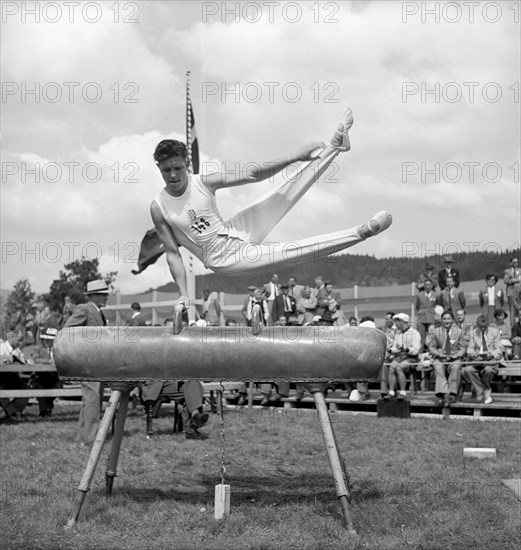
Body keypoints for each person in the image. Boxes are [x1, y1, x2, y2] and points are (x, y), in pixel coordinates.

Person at [150, 108, 392, 307]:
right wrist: (183, 294)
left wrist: (294, 157)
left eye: (177, 168)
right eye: (166, 170)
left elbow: (253, 174)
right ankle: (360, 233)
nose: (173, 175)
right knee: (292, 250)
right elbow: (173, 253)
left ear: (187, 166)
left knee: (279, 196)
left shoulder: (203, 182)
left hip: (235, 230)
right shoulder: (160, 207)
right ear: (159, 167)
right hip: (226, 258)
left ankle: (335, 146)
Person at [64, 280, 110, 446]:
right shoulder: (85, 309)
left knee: (91, 399)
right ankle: (90, 439)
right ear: (94, 296)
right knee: (92, 399)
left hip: (96, 364)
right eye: (103, 294)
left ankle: (83, 437)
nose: (106, 297)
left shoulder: (99, 312)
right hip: (87, 363)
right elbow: (67, 330)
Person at [428, 311, 465, 406]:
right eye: (444, 319)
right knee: (438, 367)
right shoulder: (436, 331)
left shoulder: (459, 332)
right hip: (441, 358)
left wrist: (456, 355)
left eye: (448, 319)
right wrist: (438, 354)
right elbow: (432, 347)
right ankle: (443, 394)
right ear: (441, 320)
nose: (446, 321)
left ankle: (452, 394)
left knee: (456, 366)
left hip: (454, 357)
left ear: (452, 320)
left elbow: (462, 348)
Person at [463, 315, 503, 404]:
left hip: (491, 360)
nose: (483, 328)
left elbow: (499, 348)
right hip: (477, 360)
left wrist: (491, 354)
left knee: (488, 370)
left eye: (485, 326)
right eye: (481, 327)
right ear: (477, 325)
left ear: (488, 324)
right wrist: (471, 353)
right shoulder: (473, 333)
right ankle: (484, 390)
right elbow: (470, 348)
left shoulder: (494, 332)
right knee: (468, 369)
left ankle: (481, 391)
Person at [381, 313, 421, 400]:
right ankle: (391, 392)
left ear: (403, 322)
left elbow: (415, 350)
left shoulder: (415, 333)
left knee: (399, 367)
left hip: (412, 358)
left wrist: (405, 349)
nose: (395, 324)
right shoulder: (398, 333)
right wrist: (390, 350)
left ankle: (403, 392)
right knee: (391, 367)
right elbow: (396, 348)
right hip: (400, 357)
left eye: (397, 322)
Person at [415, 278, 438, 350]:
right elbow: (417, 305)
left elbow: (439, 305)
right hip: (421, 317)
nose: (428, 286)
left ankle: (432, 351)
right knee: (421, 336)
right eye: (426, 285)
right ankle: (420, 353)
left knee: (432, 336)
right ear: (424, 286)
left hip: (431, 317)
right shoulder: (419, 295)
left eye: (429, 285)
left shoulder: (436, 295)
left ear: (432, 286)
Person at [503, 257, 520, 322]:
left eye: (517, 262)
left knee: (519, 309)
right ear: (511, 263)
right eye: (514, 262)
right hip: (511, 292)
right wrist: (513, 280)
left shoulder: (520, 270)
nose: (516, 263)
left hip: (519, 292)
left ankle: (519, 325)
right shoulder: (507, 271)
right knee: (512, 309)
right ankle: (513, 326)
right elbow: (505, 281)